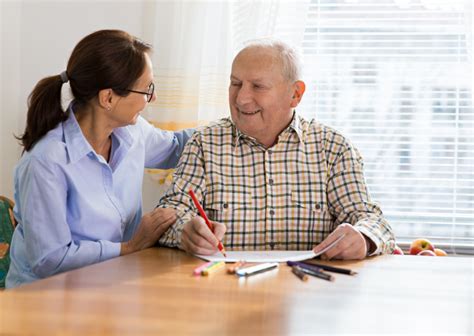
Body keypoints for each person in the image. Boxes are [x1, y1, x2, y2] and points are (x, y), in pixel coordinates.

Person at [157, 39, 395, 260]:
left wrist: (363, 237)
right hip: (224, 290)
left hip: (307, 293)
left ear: (295, 94)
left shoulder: (333, 149)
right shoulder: (203, 143)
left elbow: (373, 221)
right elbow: (169, 215)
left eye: (258, 86)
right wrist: (184, 231)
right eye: (236, 84)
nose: (241, 98)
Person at [6, 30, 194, 288]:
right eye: (146, 89)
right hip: (45, 299)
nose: (153, 98)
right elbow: (50, 259)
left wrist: (234, 123)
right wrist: (130, 246)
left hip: (110, 287)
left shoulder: (132, 132)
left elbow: (178, 147)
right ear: (108, 98)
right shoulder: (46, 161)